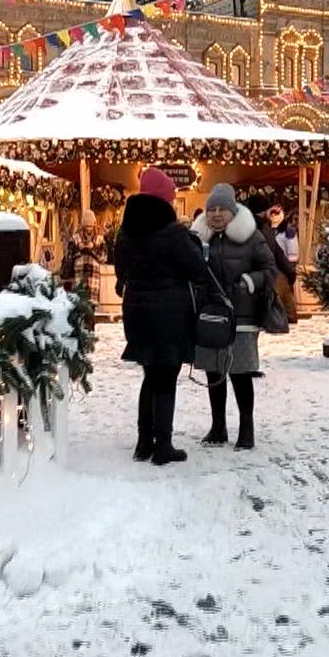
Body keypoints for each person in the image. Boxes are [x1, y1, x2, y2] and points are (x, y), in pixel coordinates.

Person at [113, 168, 208, 465]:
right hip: (169, 313)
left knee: (150, 375)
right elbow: (198, 270)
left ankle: (144, 442)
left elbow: (120, 271)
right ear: (166, 200)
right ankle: (163, 446)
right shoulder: (174, 233)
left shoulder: (125, 231)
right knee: (166, 377)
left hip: (136, 311)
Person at [193, 184, 281, 450]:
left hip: (242, 316)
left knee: (240, 373)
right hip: (211, 314)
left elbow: (270, 269)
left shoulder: (251, 238)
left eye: (222, 209)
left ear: (233, 212)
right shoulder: (199, 239)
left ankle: (246, 428)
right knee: (214, 371)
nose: (216, 214)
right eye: (212, 209)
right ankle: (218, 427)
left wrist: (249, 281)